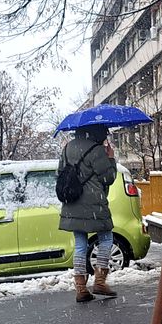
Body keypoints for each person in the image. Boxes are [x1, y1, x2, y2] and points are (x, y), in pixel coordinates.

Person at [58, 124, 119, 301]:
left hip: (72, 202)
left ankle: (81, 289)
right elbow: (108, 178)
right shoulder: (96, 149)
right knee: (106, 238)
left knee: (80, 243)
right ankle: (99, 282)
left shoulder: (68, 148)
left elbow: (61, 173)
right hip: (94, 204)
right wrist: (111, 159)